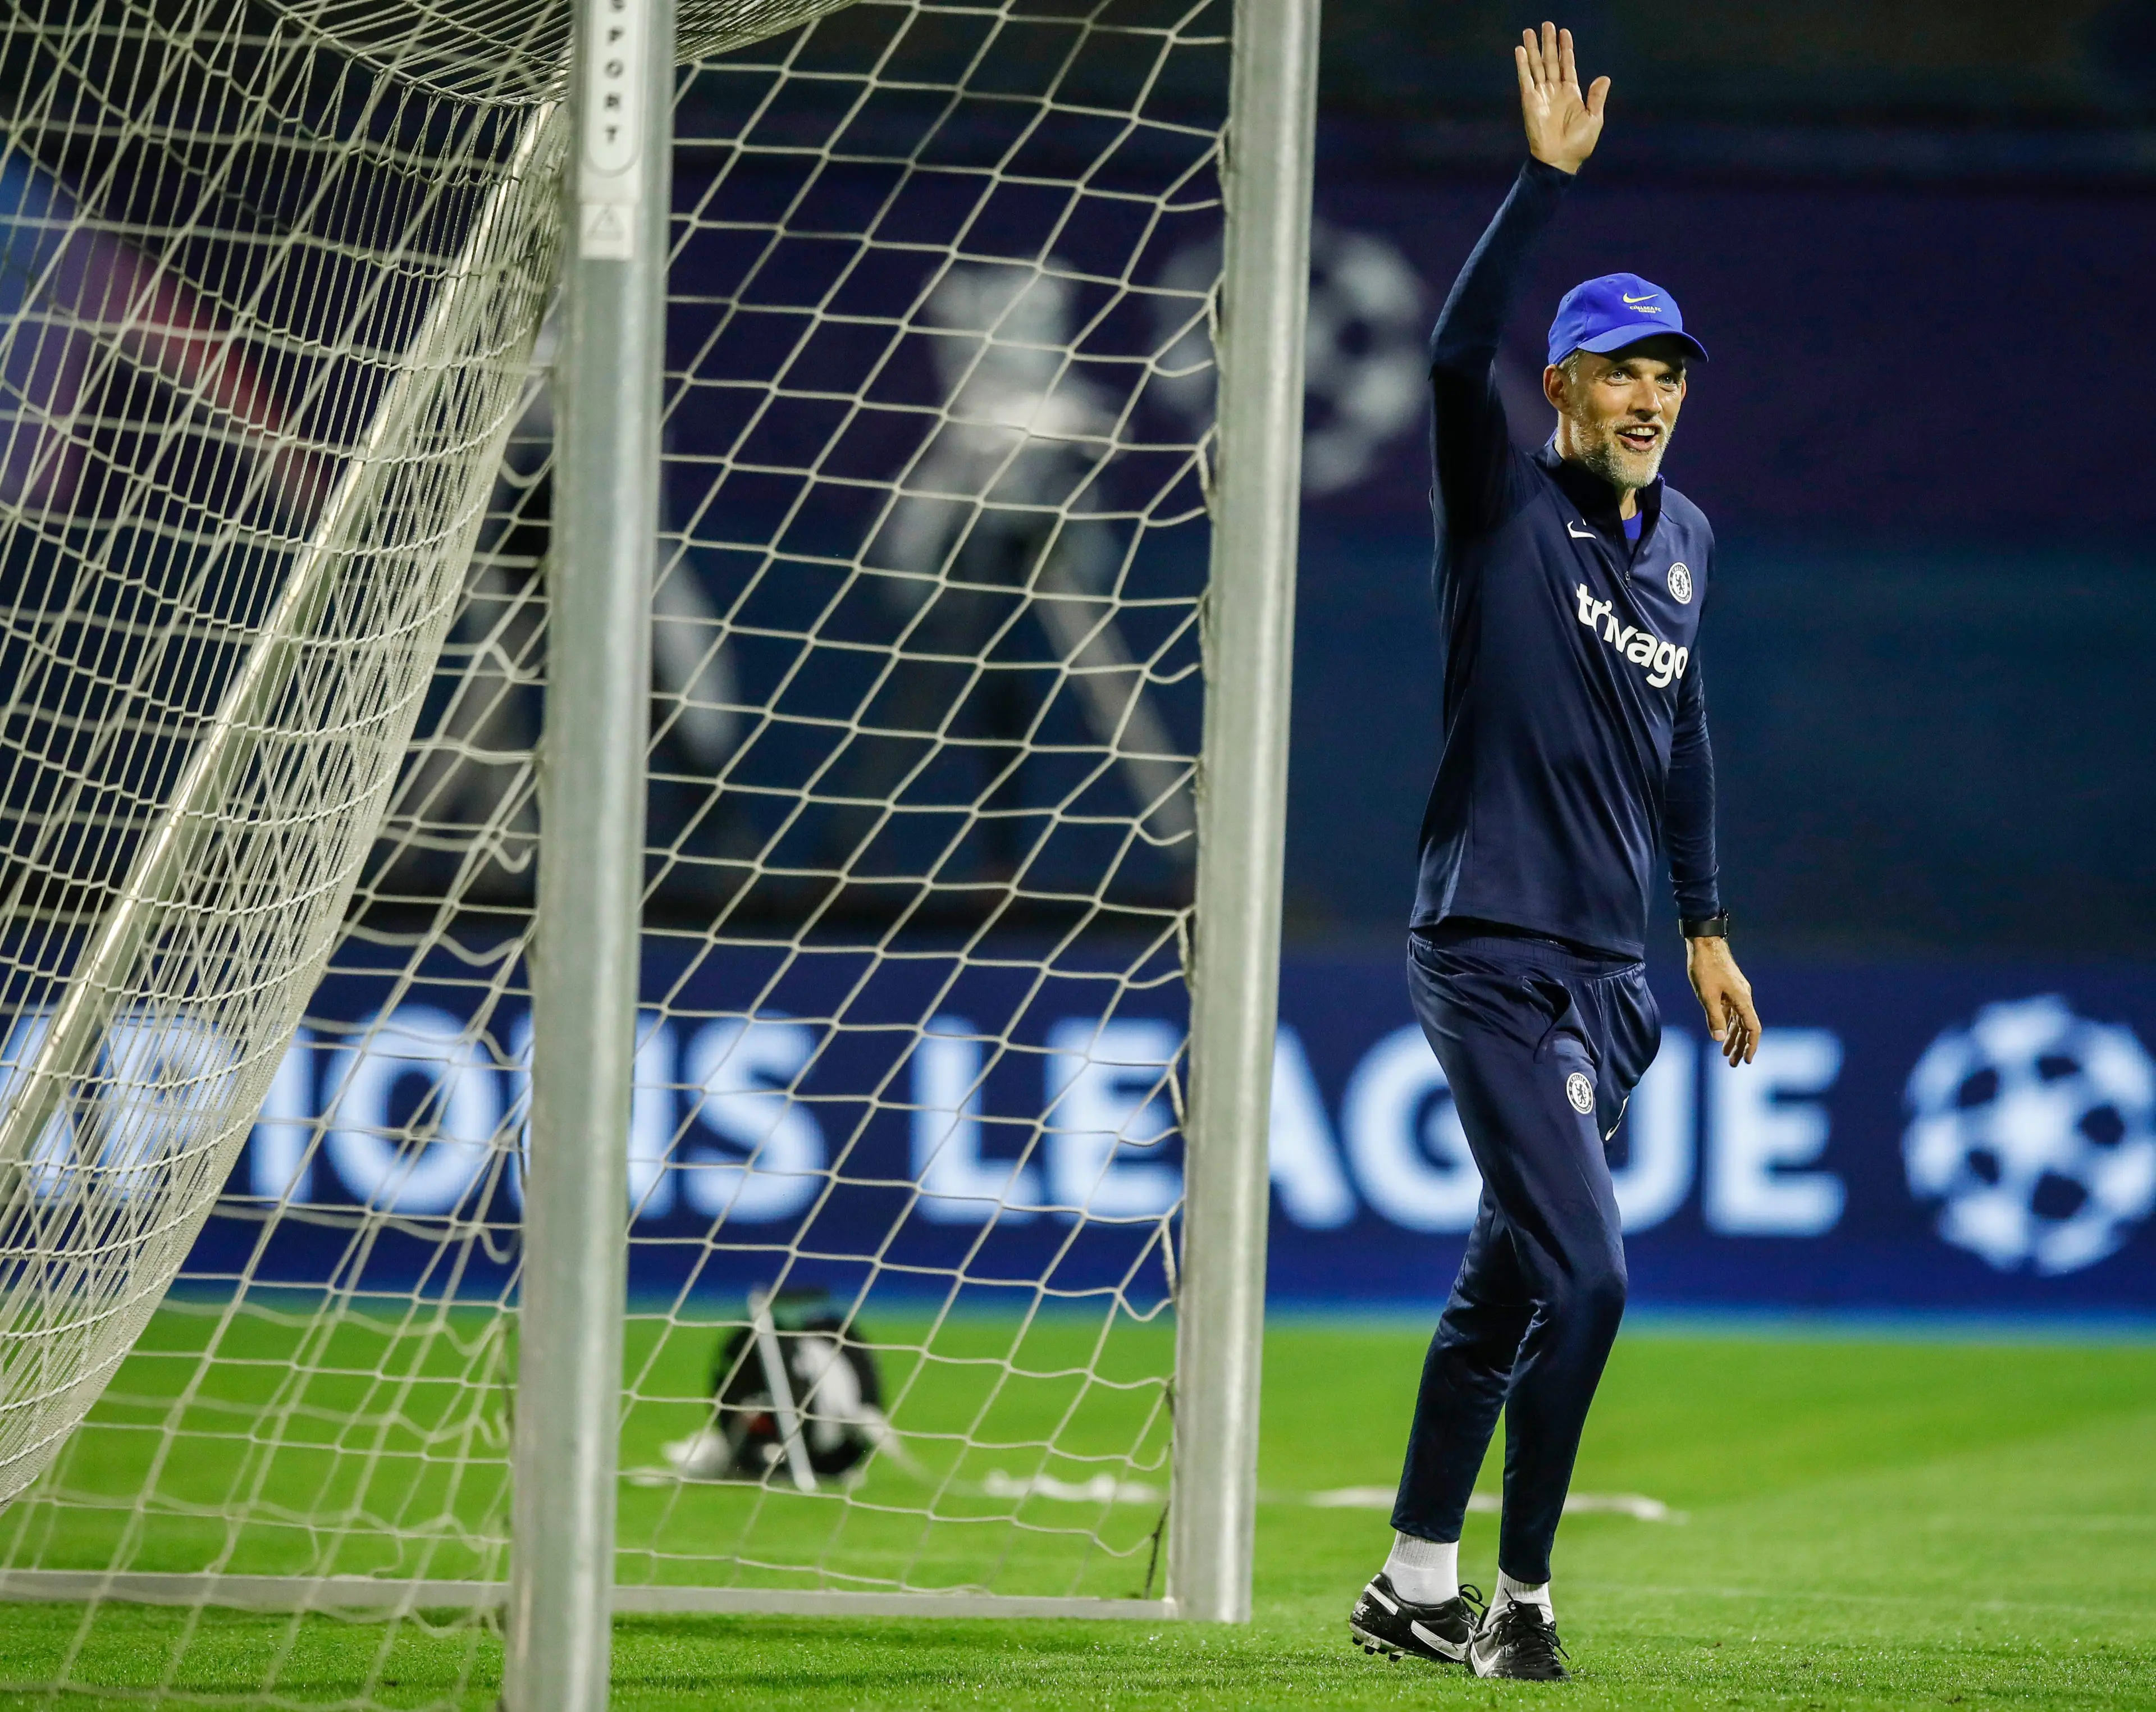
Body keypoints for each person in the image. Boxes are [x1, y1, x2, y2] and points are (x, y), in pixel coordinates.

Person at [1345, 22, 1764, 1683]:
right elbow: (1448, 361)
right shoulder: (1501, 504)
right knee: (1589, 1282)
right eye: (1625, 368)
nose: (1654, 394)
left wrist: (1710, 928)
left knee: (1501, 1298)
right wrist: (1539, 185)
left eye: (1672, 372)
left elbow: (1691, 735)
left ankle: (1406, 1583)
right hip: (1490, 953)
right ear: (1566, 389)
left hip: (1612, 980)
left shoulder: (1692, 545)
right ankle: (1514, 1604)